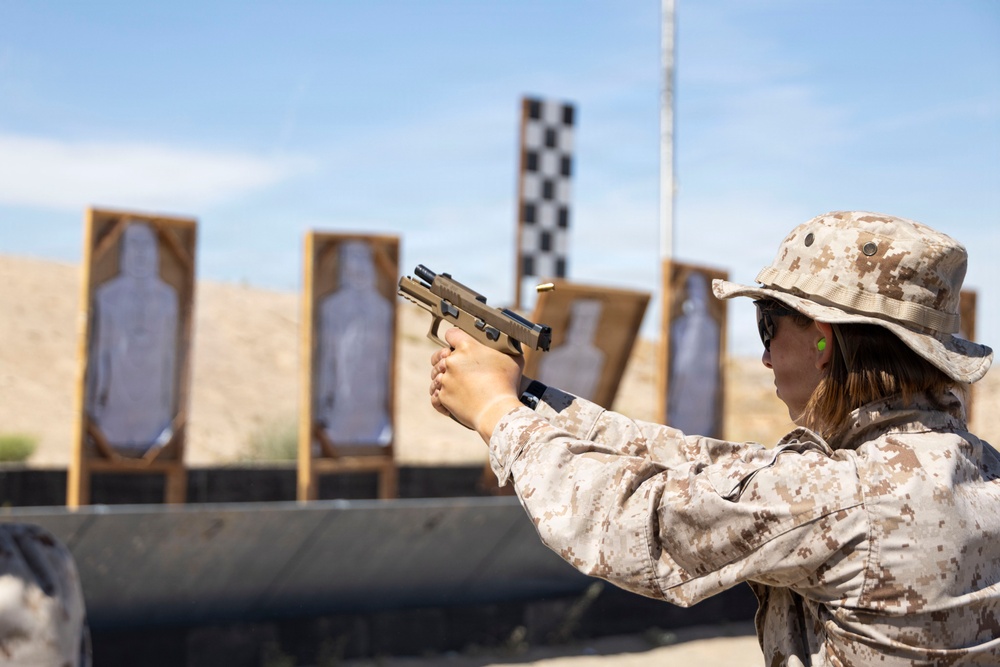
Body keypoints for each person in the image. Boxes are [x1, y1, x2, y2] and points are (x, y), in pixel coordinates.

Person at [429, 211, 999, 665]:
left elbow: (630, 519)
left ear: (824, 342)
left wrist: (498, 415)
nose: (764, 354)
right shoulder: (974, 469)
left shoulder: (843, 496)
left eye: (769, 326)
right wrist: (530, 397)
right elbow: (702, 463)